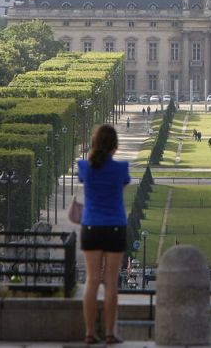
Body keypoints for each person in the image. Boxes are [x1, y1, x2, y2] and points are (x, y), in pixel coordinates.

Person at [78, 124, 130, 345]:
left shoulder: (84, 167)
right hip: (115, 227)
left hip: (91, 227)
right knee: (111, 282)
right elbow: (123, 183)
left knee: (91, 280)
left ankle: (90, 333)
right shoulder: (121, 169)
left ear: (95, 143)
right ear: (115, 146)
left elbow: (88, 172)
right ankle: (109, 333)